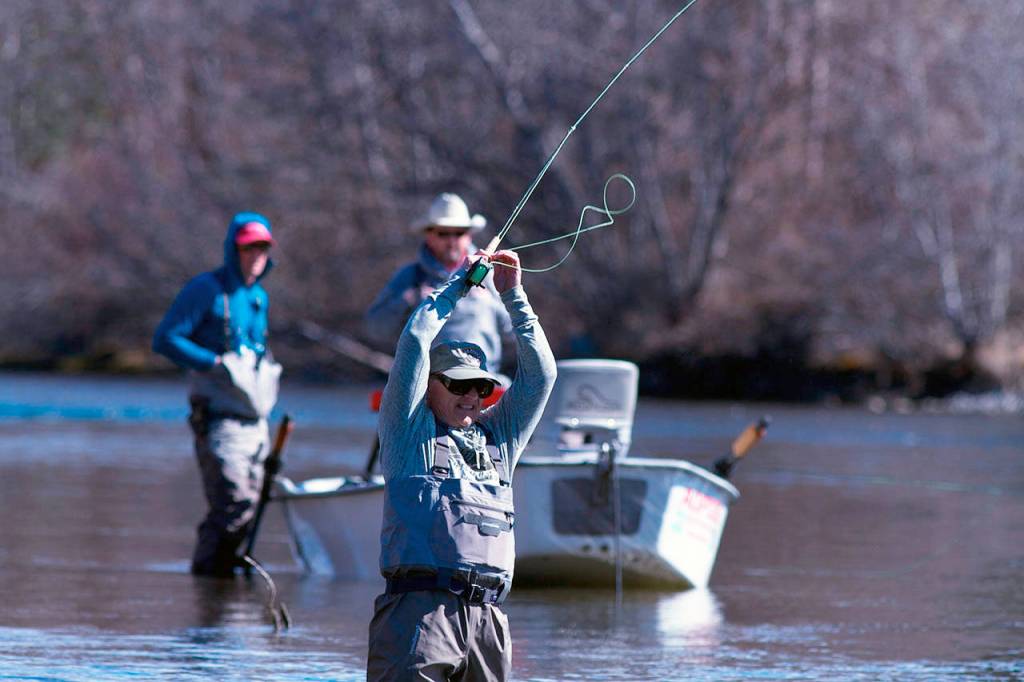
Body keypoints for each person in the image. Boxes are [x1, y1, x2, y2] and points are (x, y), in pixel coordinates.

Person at [367, 250, 557, 681]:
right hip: (419, 615)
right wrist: (460, 285)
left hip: (489, 619)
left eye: (480, 386)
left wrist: (513, 295)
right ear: (428, 387)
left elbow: (541, 376)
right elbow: (416, 339)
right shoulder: (409, 431)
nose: (471, 395)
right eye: (457, 383)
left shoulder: (500, 439)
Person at [153, 212, 282, 577]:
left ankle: (223, 585)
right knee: (233, 503)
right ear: (233, 249)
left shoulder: (259, 297)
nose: (256, 254)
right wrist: (213, 361)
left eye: (262, 247)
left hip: (255, 423)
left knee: (250, 508)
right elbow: (165, 338)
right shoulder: (206, 290)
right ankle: (209, 583)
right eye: (248, 247)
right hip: (218, 419)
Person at [366, 193, 514, 373]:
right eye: (443, 233)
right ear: (429, 235)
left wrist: (489, 303)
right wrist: (409, 300)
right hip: (427, 384)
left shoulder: (490, 275)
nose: (451, 241)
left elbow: (514, 332)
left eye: (459, 233)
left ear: (469, 236)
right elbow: (375, 329)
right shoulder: (410, 276)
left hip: (483, 382)